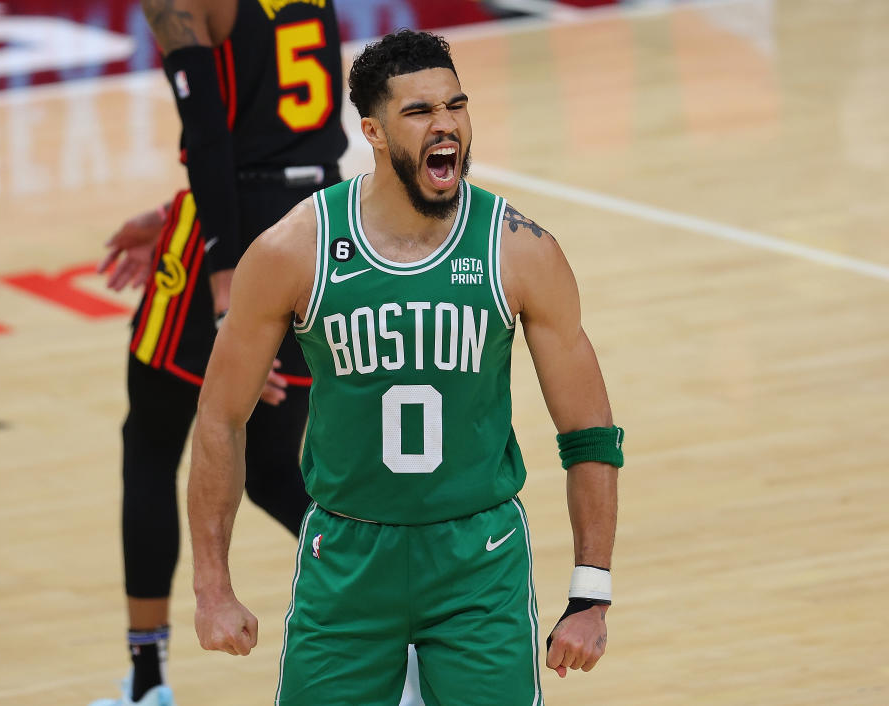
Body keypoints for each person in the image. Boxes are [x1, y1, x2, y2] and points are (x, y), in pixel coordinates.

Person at [187, 29, 623, 705]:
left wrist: (590, 594)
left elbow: (589, 429)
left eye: (456, 105)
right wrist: (212, 588)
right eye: (419, 112)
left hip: (478, 562)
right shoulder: (294, 251)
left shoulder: (521, 251)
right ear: (374, 131)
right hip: (347, 562)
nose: (445, 124)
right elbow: (220, 419)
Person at [90, 1, 347, 705]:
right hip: (319, 225)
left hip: (235, 238)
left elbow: (210, 135)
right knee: (270, 468)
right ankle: (404, 638)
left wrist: (225, 283)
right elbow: (278, 126)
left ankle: (147, 685)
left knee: (149, 443)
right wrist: (178, 211)